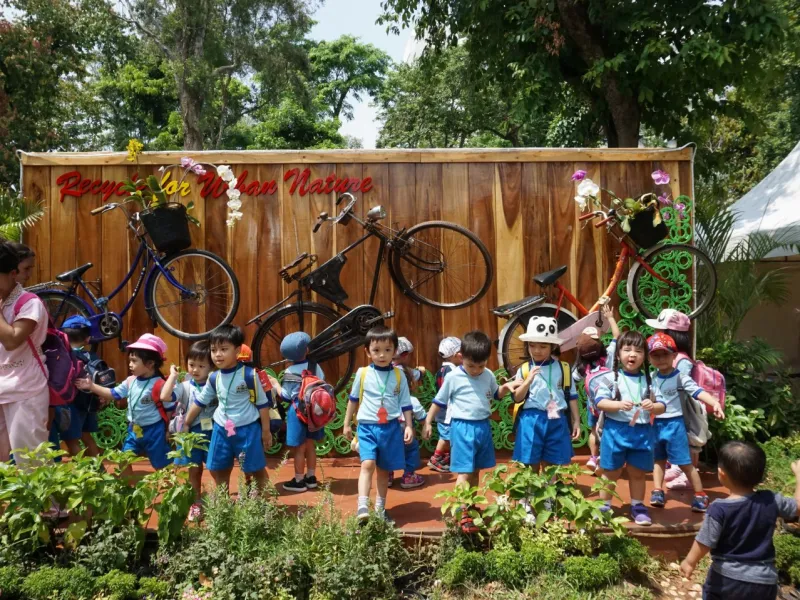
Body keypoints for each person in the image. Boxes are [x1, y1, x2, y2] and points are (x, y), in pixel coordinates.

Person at [423, 330, 520, 533]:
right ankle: (461, 511)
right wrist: (428, 422)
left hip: (482, 426)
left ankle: (471, 504)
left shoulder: (488, 375)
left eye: (481, 365)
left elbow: (496, 394)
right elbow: (439, 401)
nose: (476, 370)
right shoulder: (454, 377)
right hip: (462, 427)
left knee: (476, 470)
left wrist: (508, 386)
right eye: (471, 365)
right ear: (461, 357)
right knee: (464, 471)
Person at [680, 442, 800, 600]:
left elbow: (705, 541)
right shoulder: (771, 500)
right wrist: (798, 478)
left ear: (721, 473)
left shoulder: (719, 509)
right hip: (764, 581)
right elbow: (797, 507)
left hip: (727, 580)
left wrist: (690, 562)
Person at [183, 325, 273, 492]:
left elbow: (262, 404)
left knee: (255, 469)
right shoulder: (213, 377)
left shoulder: (249, 374)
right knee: (219, 468)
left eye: (224, 349)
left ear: (237, 351)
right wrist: (186, 423)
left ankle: (263, 504)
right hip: (221, 429)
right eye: (213, 349)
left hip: (247, 429)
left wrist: (265, 431)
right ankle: (223, 505)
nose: (217, 354)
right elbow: (200, 401)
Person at [594, 330, 666, 526]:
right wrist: (616, 405)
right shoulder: (610, 378)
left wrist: (654, 407)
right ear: (618, 354)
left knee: (638, 472)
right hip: (615, 431)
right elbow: (599, 402)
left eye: (638, 351)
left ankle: (637, 506)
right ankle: (604, 505)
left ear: (645, 356)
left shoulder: (650, 380)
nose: (632, 354)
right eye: (627, 350)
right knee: (610, 471)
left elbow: (662, 405)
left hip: (642, 433)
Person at [647, 332, 725, 513]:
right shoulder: (651, 377)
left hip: (675, 425)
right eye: (655, 355)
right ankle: (658, 490)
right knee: (658, 461)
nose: (661, 359)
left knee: (685, 463)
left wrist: (714, 403)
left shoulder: (680, 377)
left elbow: (698, 392)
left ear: (674, 356)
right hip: (656, 425)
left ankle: (700, 494)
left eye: (665, 354)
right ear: (650, 358)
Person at [343, 326, 414, 522]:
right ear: (367, 352)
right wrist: (347, 423)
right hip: (367, 427)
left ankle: (380, 509)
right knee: (367, 463)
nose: (382, 355)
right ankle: (362, 507)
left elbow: (406, 404)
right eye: (376, 350)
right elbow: (353, 399)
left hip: (390, 428)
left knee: (384, 470)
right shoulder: (363, 373)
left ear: (395, 351)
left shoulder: (399, 376)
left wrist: (408, 426)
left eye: (387, 350)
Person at [77, 333, 175, 475]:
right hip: (134, 430)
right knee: (123, 460)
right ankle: (128, 489)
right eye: (130, 360)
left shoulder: (159, 384)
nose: (130, 364)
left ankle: (170, 492)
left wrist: (167, 431)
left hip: (155, 432)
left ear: (150, 363)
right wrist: (91, 386)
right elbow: (113, 394)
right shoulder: (130, 381)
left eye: (134, 361)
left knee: (161, 466)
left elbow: (168, 409)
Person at [0, 242, 49, 467]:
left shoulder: (29, 303)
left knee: (32, 466)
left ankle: (52, 505)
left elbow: (11, 340)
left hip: (25, 391)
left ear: (11, 274)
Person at [512, 316, 580, 476]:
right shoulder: (523, 369)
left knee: (552, 462)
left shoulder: (563, 368)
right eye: (532, 345)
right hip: (531, 419)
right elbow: (517, 398)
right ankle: (528, 496)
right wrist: (527, 381)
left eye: (543, 346)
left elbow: (571, 396)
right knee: (530, 461)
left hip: (556, 419)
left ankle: (548, 496)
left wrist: (576, 421)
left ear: (552, 346)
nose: (536, 350)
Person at [162, 341, 214, 521]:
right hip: (191, 433)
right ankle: (196, 502)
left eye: (201, 366)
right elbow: (165, 396)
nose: (195, 370)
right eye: (191, 365)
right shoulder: (185, 386)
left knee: (217, 467)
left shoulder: (215, 384)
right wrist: (172, 377)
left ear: (211, 366)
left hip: (213, 432)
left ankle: (218, 500)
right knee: (194, 469)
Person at [645, 308, 697, 490]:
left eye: (661, 331)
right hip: (663, 418)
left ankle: (689, 480)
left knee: (685, 452)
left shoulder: (681, 362)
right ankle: (669, 477)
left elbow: (679, 388)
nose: (656, 335)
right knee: (661, 457)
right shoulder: (661, 367)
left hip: (677, 416)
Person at [270, 332, 325, 494]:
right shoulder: (315, 367)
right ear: (307, 350)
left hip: (297, 412)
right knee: (310, 446)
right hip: (314, 411)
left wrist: (275, 384)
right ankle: (311, 477)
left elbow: (286, 396)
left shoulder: (289, 371)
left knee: (299, 449)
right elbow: (322, 383)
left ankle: (299, 480)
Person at [572, 303, 620, 473]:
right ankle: (605, 459)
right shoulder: (608, 357)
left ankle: (593, 457)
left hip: (592, 407)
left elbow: (572, 382)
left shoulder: (580, 367)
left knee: (593, 431)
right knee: (608, 432)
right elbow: (617, 336)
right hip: (610, 405)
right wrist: (610, 318)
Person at [55, 315, 105, 458]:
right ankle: (98, 470)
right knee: (87, 436)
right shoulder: (92, 356)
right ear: (87, 339)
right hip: (89, 403)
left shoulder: (62, 356)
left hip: (70, 405)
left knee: (71, 441)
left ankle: (80, 475)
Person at [390, 336, 426, 489]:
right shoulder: (411, 400)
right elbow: (422, 417)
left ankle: (387, 477)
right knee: (411, 450)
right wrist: (426, 425)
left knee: (388, 451)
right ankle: (409, 476)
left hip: (388, 427)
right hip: (405, 429)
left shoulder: (387, 373)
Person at [428, 336, 461, 473]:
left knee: (448, 435)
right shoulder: (452, 372)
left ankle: (445, 457)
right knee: (445, 437)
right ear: (454, 355)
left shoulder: (441, 370)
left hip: (442, 410)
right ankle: (435, 459)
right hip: (447, 411)